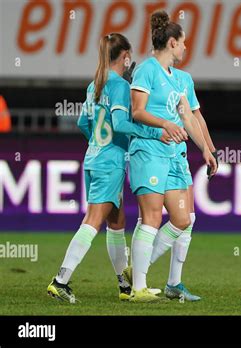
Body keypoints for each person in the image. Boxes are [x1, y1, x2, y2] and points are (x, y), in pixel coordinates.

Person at [47, 33, 165, 303]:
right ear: (124, 56)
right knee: (93, 220)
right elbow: (121, 123)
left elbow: (82, 123)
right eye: (129, 56)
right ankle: (60, 280)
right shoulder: (120, 85)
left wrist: (98, 144)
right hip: (110, 163)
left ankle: (124, 285)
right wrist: (152, 132)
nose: (131, 61)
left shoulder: (95, 84)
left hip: (94, 158)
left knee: (117, 222)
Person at [127, 10, 217, 302]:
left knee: (182, 218)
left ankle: (138, 270)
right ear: (173, 44)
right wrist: (165, 123)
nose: (186, 48)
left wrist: (205, 148)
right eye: (184, 42)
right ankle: (138, 287)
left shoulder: (182, 79)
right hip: (149, 152)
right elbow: (137, 111)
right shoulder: (146, 70)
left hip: (175, 156)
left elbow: (190, 119)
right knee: (151, 217)